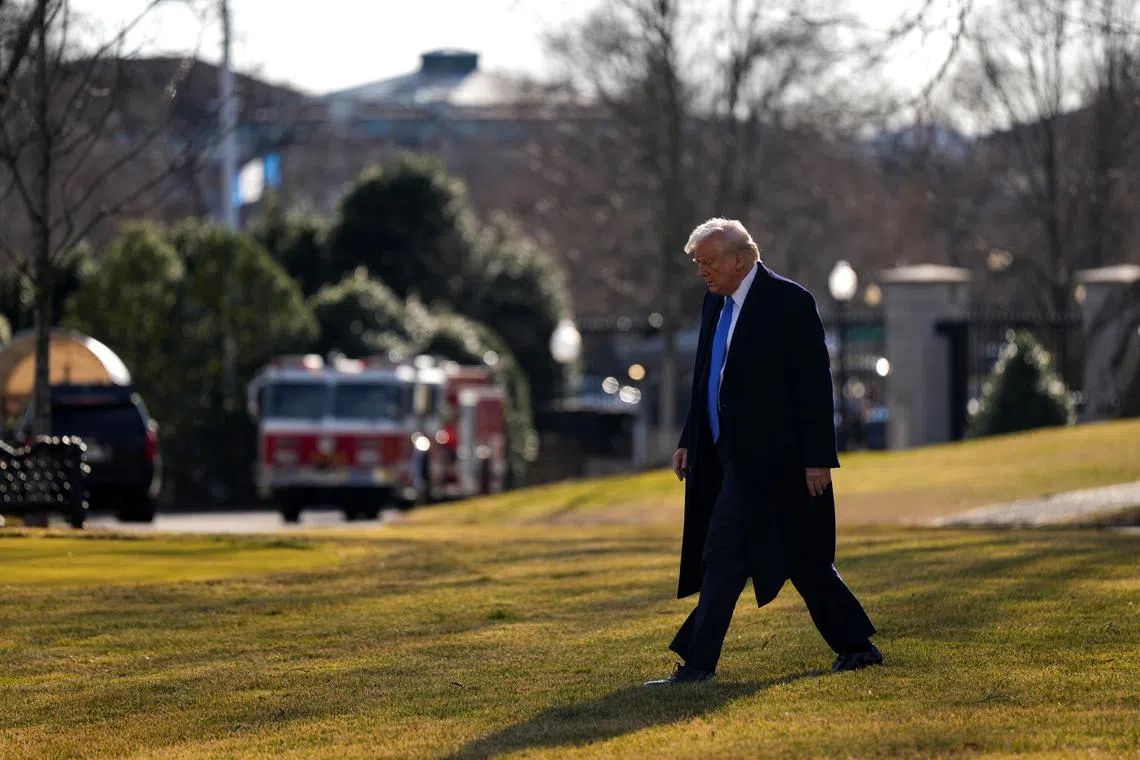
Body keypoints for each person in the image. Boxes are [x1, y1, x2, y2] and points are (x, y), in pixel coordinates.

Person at [645, 218, 881, 686]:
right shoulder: (715, 303)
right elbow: (706, 379)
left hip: (777, 461)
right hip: (726, 457)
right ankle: (857, 647)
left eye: (709, 263)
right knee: (800, 557)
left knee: (723, 554)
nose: (703, 273)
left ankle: (696, 665)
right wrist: (690, 439)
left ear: (741, 259)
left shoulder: (790, 302)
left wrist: (817, 457)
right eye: (698, 264)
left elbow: (815, 386)